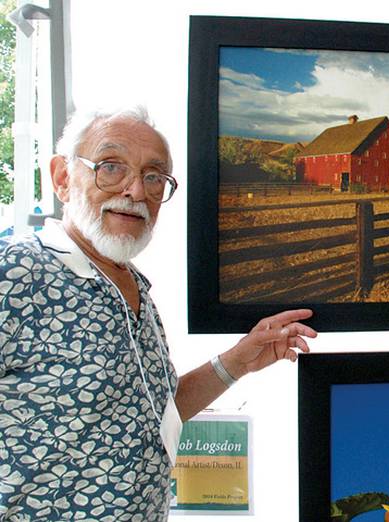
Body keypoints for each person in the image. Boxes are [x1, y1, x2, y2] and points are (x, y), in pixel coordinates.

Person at [0, 106, 317, 521]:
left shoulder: (136, 289)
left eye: (153, 176)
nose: (135, 191)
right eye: (111, 167)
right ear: (62, 178)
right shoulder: (17, 272)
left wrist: (239, 360)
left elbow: (152, 415)